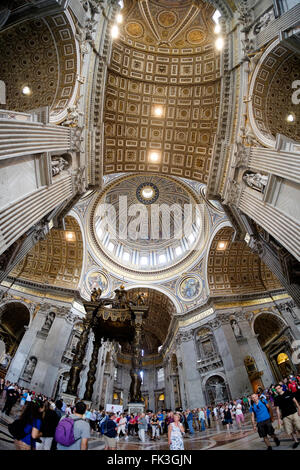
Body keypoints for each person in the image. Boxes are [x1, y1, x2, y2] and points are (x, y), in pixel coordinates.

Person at [274, 383, 300, 448]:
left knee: (299, 426)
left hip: (294, 413)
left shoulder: (288, 392)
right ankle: (296, 441)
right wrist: (279, 419)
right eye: (276, 389)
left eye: (279, 388)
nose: (278, 390)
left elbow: (295, 401)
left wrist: (299, 409)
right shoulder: (277, 398)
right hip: (285, 416)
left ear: (281, 388)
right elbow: (277, 409)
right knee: (290, 430)